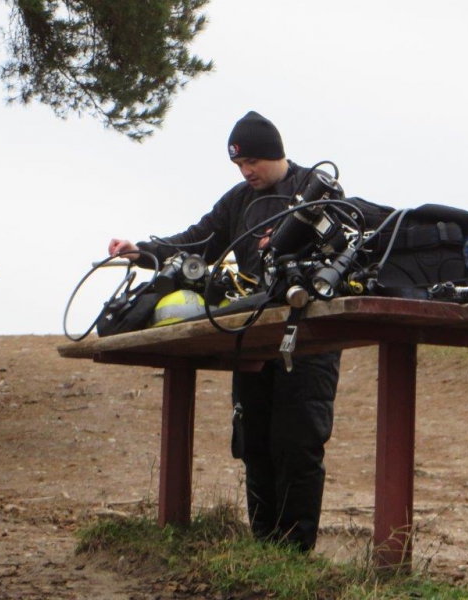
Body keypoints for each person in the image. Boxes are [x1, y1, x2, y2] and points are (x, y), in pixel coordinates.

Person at [108, 111, 341, 552]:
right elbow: (197, 241)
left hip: (308, 340)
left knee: (297, 443)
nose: (246, 171)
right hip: (252, 336)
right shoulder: (237, 201)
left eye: (252, 161)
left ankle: (295, 554)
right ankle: (263, 548)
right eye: (238, 164)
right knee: (253, 442)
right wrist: (142, 252)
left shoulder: (316, 188)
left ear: (274, 153)